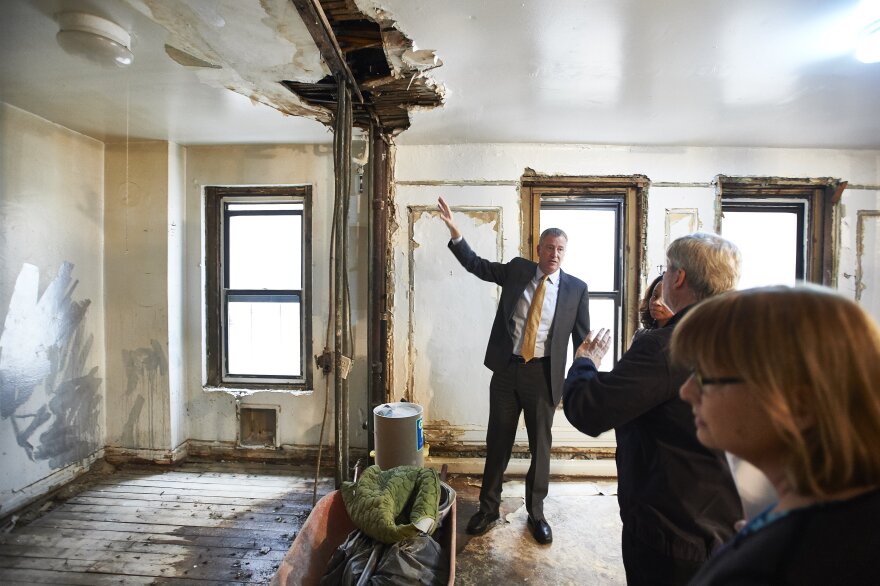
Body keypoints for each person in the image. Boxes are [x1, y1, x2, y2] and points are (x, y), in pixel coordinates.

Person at [563, 233, 744, 585]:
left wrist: (584, 362)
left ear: (678, 278)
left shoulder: (668, 347)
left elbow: (589, 411)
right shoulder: (747, 338)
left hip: (673, 534)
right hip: (728, 523)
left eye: (667, 268)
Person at [671, 285, 880, 585]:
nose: (687, 391)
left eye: (705, 376)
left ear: (799, 406)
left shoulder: (772, 568)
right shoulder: (847, 512)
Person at [437, 196, 590, 545]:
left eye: (561, 249)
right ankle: (488, 509)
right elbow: (477, 265)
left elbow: (582, 340)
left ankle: (536, 514)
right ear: (538, 249)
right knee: (498, 442)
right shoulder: (519, 270)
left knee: (541, 448)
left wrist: (590, 376)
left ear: (565, 253)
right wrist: (455, 230)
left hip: (543, 377)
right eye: (550, 247)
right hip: (507, 372)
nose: (555, 254)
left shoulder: (576, 290)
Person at [632, 275, 674, 342]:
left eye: (665, 298)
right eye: (655, 296)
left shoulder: (683, 339)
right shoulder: (640, 335)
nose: (656, 302)